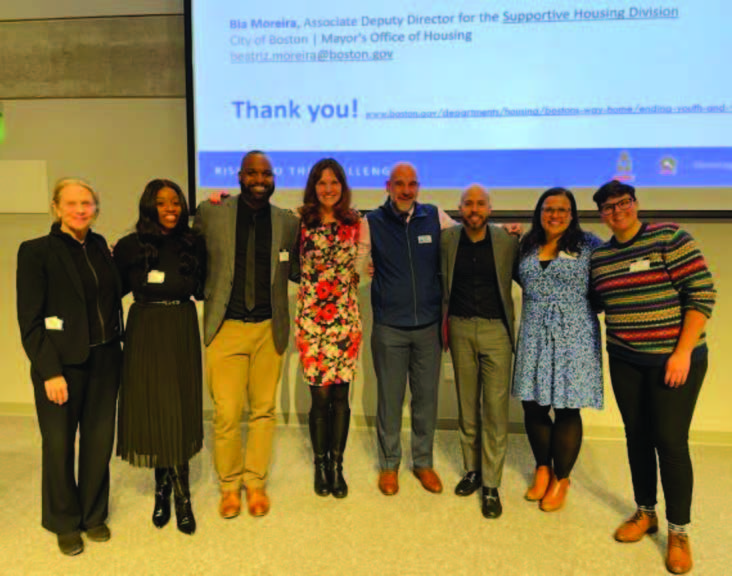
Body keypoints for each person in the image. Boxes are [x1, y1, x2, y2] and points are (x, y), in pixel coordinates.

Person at [590, 180, 715, 575]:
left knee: (670, 441)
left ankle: (679, 531)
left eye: (622, 203)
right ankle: (646, 512)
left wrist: (680, 353)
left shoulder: (670, 237)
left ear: (635, 204)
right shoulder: (601, 257)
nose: (617, 211)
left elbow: (702, 294)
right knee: (637, 437)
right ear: (601, 215)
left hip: (676, 360)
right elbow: (596, 303)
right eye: (608, 208)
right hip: (626, 360)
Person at [16, 179, 123, 556]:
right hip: (62, 366)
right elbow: (30, 322)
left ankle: (93, 516)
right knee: (59, 445)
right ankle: (64, 521)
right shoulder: (35, 252)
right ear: (56, 207)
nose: (81, 209)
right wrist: (50, 371)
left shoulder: (99, 246)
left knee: (97, 443)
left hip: (106, 361)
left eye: (88, 203)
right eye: (73, 203)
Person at [194, 150, 299, 518]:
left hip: (270, 328)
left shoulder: (287, 222)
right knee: (226, 412)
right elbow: (187, 251)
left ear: (274, 178)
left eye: (266, 173)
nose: (259, 179)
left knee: (264, 411)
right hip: (226, 328)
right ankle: (228, 487)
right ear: (240, 176)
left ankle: (255, 484)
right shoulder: (211, 213)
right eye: (252, 173)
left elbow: (298, 268)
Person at [114, 179, 206, 535]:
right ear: (149, 206)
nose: (170, 209)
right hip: (146, 329)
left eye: (176, 203)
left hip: (180, 326)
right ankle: (162, 488)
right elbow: (112, 290)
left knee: (178, 406)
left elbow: (202, 286)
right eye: (162, 203)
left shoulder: (193, 243)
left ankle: (181, 497)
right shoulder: (129, 246)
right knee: (155, 406)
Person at [360, 162, 456, 496]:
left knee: (426, 399)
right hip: (389, 328)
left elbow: (467, 237)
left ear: (418, 186)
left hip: (428, 327)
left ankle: (423, 462)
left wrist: (507, 231)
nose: (406, 190)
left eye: (412, 184)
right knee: (389, 399)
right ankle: (389, 466)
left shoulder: (435, 216)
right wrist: (365, 266)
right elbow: (353, 262)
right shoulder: (371, 222)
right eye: (399, 184)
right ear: (388, 186)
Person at [511, 187, 603, 512]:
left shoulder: (589, 245)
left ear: (573, 213)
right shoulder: (526, 245)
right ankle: (542, 468)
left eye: (563, 209)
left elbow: (606, 284)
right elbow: (516, 278)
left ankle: (562, 478)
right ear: (539, 212)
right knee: (533, 404)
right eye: (549, 209)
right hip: (534, 330)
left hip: (574, 333)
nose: (555, 215)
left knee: (567, 407)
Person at [440, 184, 518, 518]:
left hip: (496, 330)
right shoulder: (447, 241)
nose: (474, 208)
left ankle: (491, 484)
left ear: (489, 208)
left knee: (495, 409)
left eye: (480, 203)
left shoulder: (506, 241)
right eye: (468, 203)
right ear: (459, 209)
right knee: (466, 403)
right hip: (459, 327)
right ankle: (472, 471)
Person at [295, 158, 362, 498]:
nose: (328, 188)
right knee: (320, 398)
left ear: (342, 187)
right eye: (322, 183)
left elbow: (364, 263)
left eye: (334, 182)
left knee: (341, 397)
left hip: (346, 320)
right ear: (313, 187)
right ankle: (319, 465)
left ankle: (337, 466)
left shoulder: (356, 222)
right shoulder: (299, 222)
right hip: (312, 321)